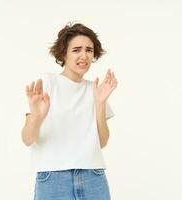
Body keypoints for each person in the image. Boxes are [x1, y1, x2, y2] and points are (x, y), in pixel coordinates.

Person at [21, 22, 118, 200]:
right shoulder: (47, 82)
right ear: (63, 53)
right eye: (76, 50)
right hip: (53, 179)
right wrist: (36, 117)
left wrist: (100, 103)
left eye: (89, 50)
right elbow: (27, 139)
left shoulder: (95, 90)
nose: (84, 55)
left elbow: (102, 142)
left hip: (93, 177)